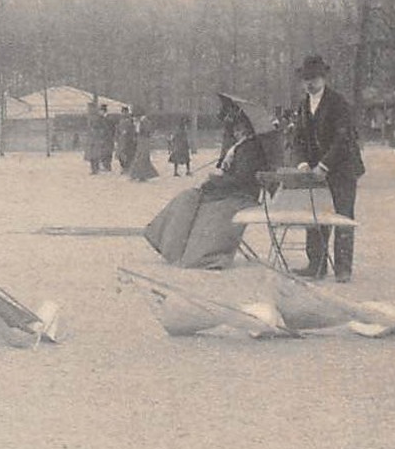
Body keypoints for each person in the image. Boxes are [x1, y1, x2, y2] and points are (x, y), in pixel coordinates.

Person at [144, 99, 271, 268]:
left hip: (241, 196)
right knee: (187, 198)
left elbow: (243, 179)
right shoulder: (238, 147)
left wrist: (216, 181)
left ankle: (203, 255)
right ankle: (169, 246)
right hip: (227, 192)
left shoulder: (251, 149)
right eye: (236, 128)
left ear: (249, 129)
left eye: (241, 128)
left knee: (205, 210)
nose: (237, 131)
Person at [293, 55, 365, 282]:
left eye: (313, 78)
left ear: (323, 77)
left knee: (342, 216)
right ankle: (316, 265)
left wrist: (324, 165)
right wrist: (304, 163)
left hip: (342, 169)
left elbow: (343, 140)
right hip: (314, 172)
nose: (309, 83)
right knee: (315, 216)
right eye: (306, 79)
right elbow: (297, 139)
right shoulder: (303, 105)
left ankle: (343, 268)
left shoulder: (338, 103)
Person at [126, 115, 159, 181]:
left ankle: (139, 175)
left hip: (143, 141)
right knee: (141, 158)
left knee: (141, 157)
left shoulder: (143, 122)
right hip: (143, 141)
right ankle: (140, 175)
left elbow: (142, 132)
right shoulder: (143, 121)